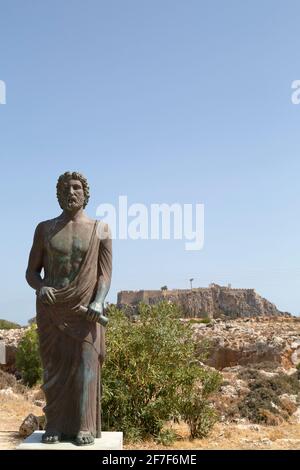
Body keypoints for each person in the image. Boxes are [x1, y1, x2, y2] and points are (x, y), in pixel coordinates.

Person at [25, 171, 112, 446]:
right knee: (55, 369)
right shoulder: (44, 229)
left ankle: (85, 426)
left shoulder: (101, 229)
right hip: (52, 310)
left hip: (86, 309)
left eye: (76, 187)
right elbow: (31, 272)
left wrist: (98, 301)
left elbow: (105, 275)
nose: (71, 191)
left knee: (86, 367)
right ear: (58, 194)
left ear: (85, 193)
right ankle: (56, 424)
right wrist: (40, 287)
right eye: (65, 188)